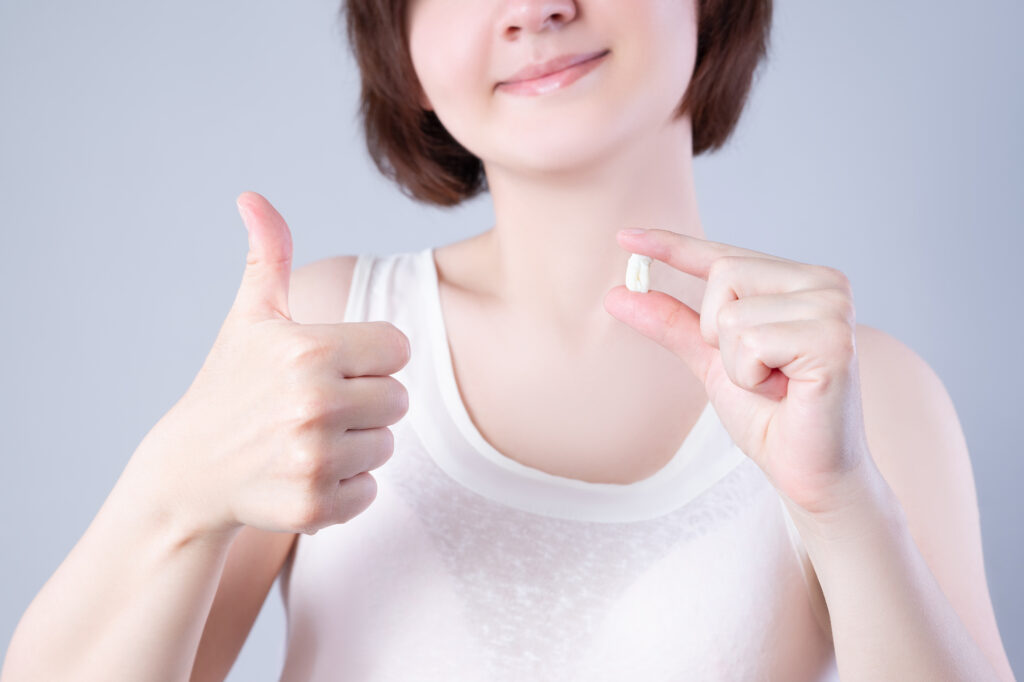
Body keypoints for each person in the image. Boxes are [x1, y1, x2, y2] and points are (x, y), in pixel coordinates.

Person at [2, 1, 1015, 681]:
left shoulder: (860, 393)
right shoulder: (328, 340)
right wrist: (173, 493)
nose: (533, 8)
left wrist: (841, 503)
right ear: (397, 40)